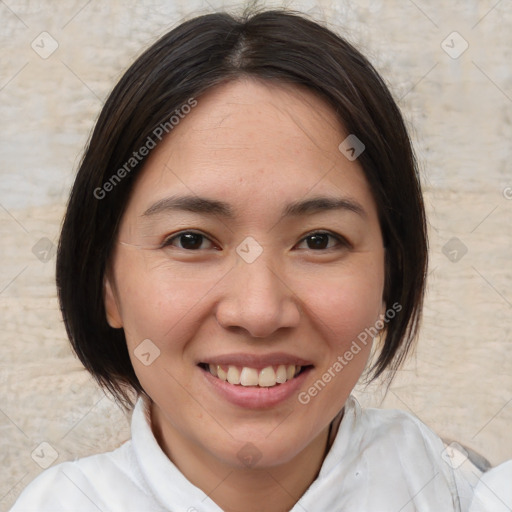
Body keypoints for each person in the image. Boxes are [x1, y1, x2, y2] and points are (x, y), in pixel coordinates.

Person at [10, 7, 511, 512]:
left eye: (319, 240)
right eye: (190, 240)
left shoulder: (459, 492)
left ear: (391, 276)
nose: (258, 312)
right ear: (106, 285)